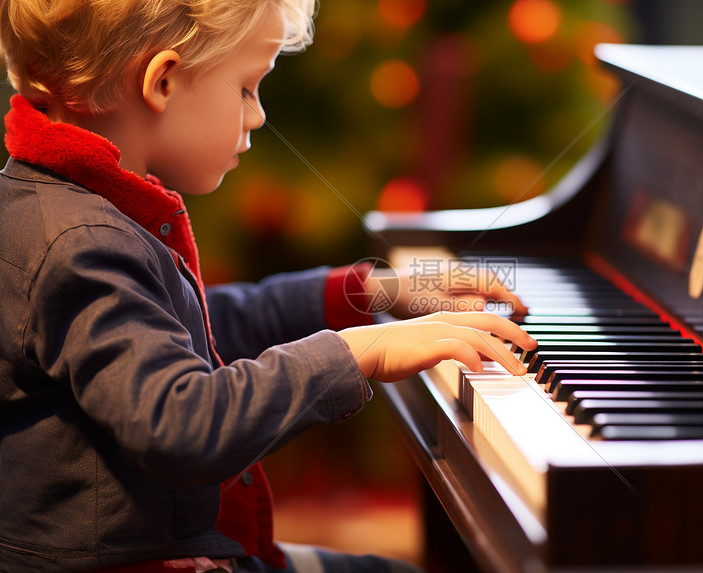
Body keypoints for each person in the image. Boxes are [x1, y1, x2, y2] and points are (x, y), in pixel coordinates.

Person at [0, 0, 537, 572]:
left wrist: (375, 292)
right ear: (162, 81)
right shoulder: (82, 242)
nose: (257, 115)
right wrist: (361, 352)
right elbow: (179, 423)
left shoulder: (60, 204)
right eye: (247, 88)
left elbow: (198, 327)